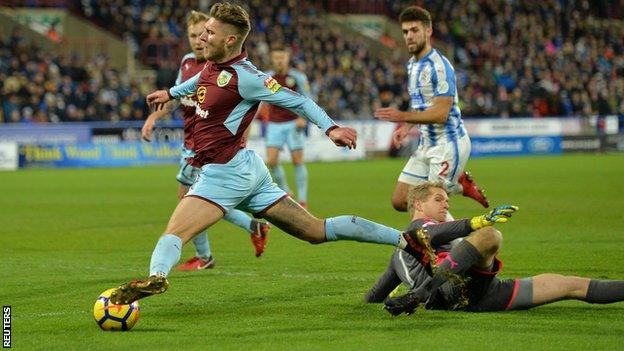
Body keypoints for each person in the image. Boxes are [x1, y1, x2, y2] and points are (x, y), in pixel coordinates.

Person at [109, 2, 431, 305]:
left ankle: (156, 276)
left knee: (174, 232)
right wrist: (170, 92)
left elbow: (300, 101)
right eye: (204, 30)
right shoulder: (212, 64)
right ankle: (405, 239)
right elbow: (196, 82)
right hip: (250, 169)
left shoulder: (248, 77)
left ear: (230, 39)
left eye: (209, 32)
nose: (203, 37)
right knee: (316, 231)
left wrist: (331, 128)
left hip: (224, 171)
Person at [366, 181, 624, 315]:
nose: (445, 205)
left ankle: (420, 293)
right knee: (490, 235)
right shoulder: (417, 230)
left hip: (482, 293)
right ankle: (422, 293)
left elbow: (375, 294)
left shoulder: (397, 253)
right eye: (438, 200)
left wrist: (372, 303)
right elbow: (432, 232)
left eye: (447, 200)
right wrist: (478, 221)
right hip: (448, 291)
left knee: (570, 285)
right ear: (418, 206)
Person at [140, 10, 270, 270]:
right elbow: (174, 97)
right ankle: (251, 227)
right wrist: (153, 118)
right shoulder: (187, 62)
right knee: (197, 199)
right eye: (192, 35)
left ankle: (206, 256)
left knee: (191, 200)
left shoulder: (223, 64)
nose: (198, 39)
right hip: (190, 142)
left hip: (211, 148)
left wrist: (240, 138)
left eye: (203, 34)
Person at [374, 6, 489, 215]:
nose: (409, 36)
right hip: (426, 143)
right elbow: (420, 104)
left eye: (414, 30)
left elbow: (441, 114)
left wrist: (402, 116)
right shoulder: (412, 64)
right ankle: (460, 184)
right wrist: (406, 127)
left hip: (448, 144)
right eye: (405, 31)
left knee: (431, 209)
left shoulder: (440, 67)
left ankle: (468, 247)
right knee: (400, 200)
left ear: (428, 31)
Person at [261, 45, 312, 208]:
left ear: (287, 58)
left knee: (297, 161)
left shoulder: (297, 77)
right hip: (274, 124)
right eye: (276, 57)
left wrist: (303, 118)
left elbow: (308, 99)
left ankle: (303, 200)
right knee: (272, 161)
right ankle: (286, 192)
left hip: (293, 123)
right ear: (272, 59)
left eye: (282, 57)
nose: (279, 60)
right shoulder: (267, 77)